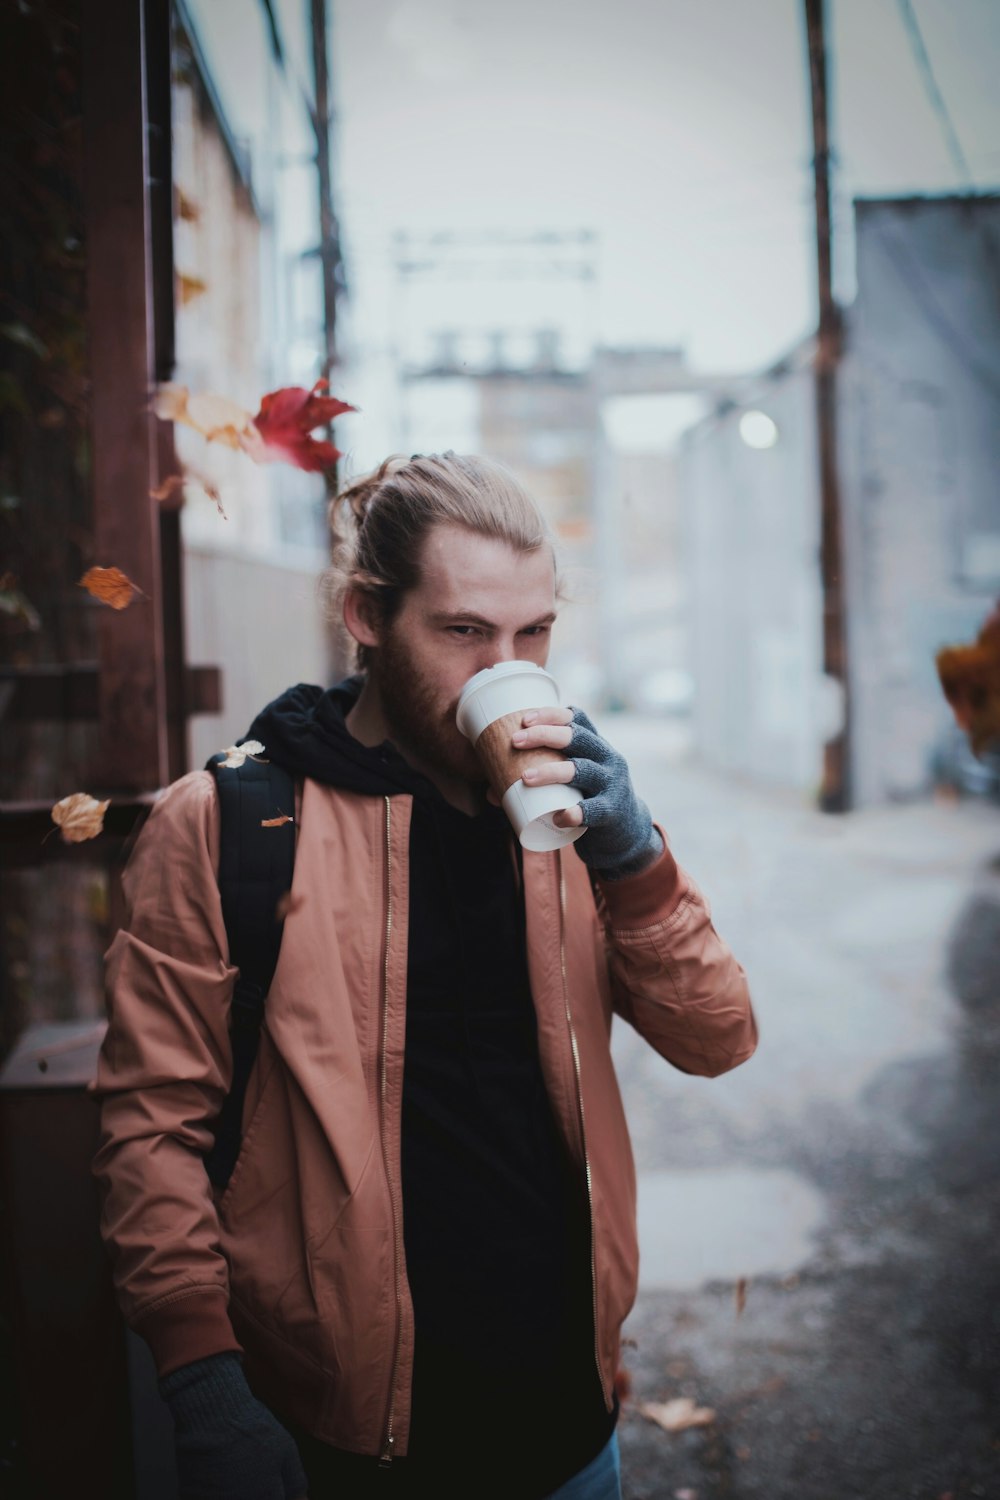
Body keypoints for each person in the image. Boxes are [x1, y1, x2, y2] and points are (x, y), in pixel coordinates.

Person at [93, 452, 758, 1500]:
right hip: (336, 1441)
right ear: (366, 615)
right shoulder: (226, 826)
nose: (505, 665)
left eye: (532, 635)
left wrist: (637, 862)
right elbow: (150, 1123)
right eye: (463, 633)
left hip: (569, 1429)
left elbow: (716, 1037)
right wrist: (204, 1385)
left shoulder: (575, 821)